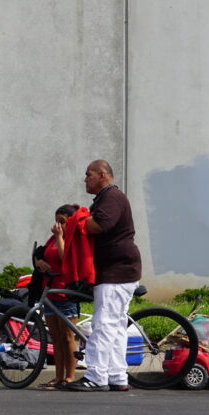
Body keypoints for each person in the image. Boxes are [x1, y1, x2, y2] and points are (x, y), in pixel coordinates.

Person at [66, 160, 142, 392]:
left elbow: (99, 225)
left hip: (116, 271)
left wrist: (79, 218)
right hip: (120, 269)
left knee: (103, 325)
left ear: (102, 174)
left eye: (88, 174)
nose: (85, 178)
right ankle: (118, 376)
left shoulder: (112, 197)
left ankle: (96, 376)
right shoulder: (107, 198)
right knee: (116, 327)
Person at [32, 204, 95, 389]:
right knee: (56, 337)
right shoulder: (53, 238)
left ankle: (70, 376)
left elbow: (64, 257)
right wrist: (39, 261)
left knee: (68, 336)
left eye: (63, 222)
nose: (59, 225)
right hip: (50, 292)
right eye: (57, 221)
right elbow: (42, 253)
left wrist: (60, 236)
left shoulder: (71, 239)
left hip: (65, 293)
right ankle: (58, 376)